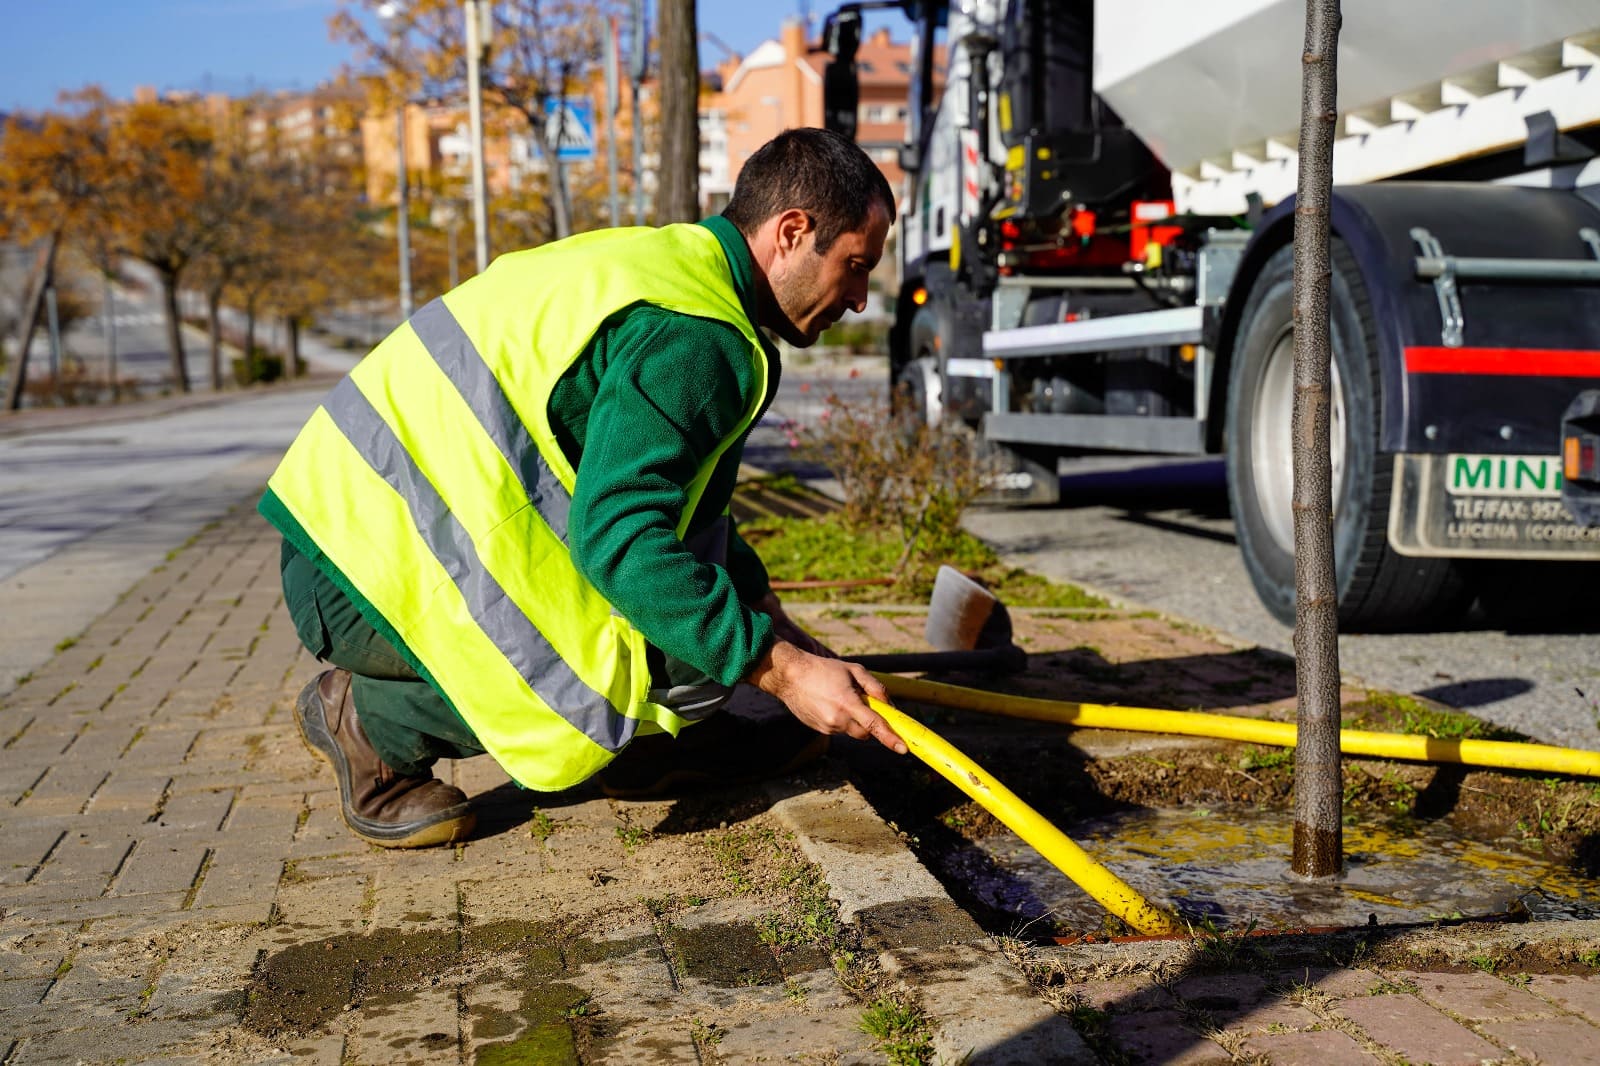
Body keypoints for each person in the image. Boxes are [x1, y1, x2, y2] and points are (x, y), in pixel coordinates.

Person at [260, 128, 909, 849]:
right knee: (671, 659)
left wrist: (781, 630)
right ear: (793, 231)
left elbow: (689, 512)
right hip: (359, 578)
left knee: (711, 626)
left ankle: (644, 750)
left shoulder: (678, 273)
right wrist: (781, 672)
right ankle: (373, 723)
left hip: (357, 536)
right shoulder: (695, 337)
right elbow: (622, 542)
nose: (857, 298)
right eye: (855, 266)